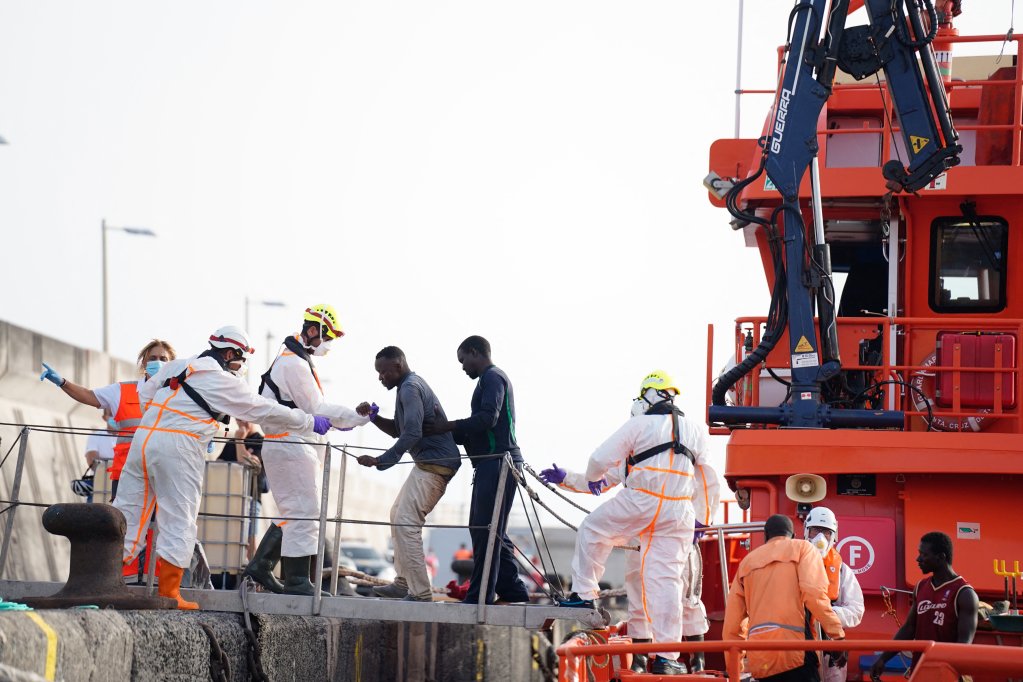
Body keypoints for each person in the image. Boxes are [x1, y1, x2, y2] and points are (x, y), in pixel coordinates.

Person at [114, 325, 332, 610]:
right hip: (179, 445)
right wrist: (308, 421)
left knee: (127, 512)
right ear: (229, 354)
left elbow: (145, 392)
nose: (241, 367)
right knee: (179, 518)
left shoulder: (178, 366)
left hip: (143, 439)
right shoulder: (221, 379)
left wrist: (166, 418)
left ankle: (107, 581)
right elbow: (263, 408)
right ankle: (169, 593)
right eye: (241, 360)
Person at [552, 370, 708, 675]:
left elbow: (599, 464)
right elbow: (708, 479)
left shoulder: (639, 426)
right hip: (679, 513)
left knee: (593, 529)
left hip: (642, 502)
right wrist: (703, 518)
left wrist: (589, 477)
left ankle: (584, 596)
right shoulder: (695, 431)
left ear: (647, 395)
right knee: (667, 585)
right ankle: (667, 658)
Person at [243, 305, 371, 597]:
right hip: (289, 444)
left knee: (294, 510)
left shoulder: (293, 359)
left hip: (285, 443)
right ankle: (297, 580)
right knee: (305, 512)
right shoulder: (294, 365)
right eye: (328, 338)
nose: (329, 345)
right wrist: (356, 417)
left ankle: (262, 565)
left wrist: (348, 419)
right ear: (314, 330)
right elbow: (317, 409)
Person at [425, 336, 529, 605]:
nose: (462, 367)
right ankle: (513, 589)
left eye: (463, 360)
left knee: (486, 530)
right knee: (489, 529)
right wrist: (442, 428)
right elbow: (478, 429)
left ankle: (480, 595)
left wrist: (449, 425)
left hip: (499, 463)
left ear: (475, 352)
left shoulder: (493, 377)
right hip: (490, 463)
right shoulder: (486, 380)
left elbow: (487, 418)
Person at [355, 346, 461, 602]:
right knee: (397, 515)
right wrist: (373, 417)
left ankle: (420, 592)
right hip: (426, 464)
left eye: (383, 372)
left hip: (435, 466)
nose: (380, 378)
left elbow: (412, 433)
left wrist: (381, 460)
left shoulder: (410, 388)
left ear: (398, 366)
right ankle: (403, 583)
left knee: (407, 522)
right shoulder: (406, 387)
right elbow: (398, 430)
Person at [41, 338, 177, 499]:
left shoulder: (179, 395)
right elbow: (89, 395)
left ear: (172, 365)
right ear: (144, 363)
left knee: (158, 517)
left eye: (163, 359)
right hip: (126, 474)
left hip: (163, 474)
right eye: (153, 358)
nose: (158, 362)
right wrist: (63, 383)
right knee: (123, 516)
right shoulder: (122, 391)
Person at [723, 514, 846, 682]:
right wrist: (837, 635)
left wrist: (734, 670)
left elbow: (732, 625)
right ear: (793, 536)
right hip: (796, 653)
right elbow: (814, 595)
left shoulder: (747, 563)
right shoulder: (803, 548)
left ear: (765, 536)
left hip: (761, 659)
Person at [868, 531, 978, 681]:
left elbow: (964, 644)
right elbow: (909, 628)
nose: (918, 559)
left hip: (947, 674)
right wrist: (883, 658)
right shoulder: (921, 587)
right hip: (920, 670)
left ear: (941, 557)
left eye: (924, 554)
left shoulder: (964, 593)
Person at [802, 506, 864, 681]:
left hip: (830, 652)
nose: (821, 538)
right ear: (806, 532)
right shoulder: (793, 565)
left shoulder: (842, 571)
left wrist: (826, 614)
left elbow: (856, 610)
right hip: (798, 650)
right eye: (816, 530)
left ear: (834, 536)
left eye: (827, 532)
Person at [218, 419, 266, 561]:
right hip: (231, 498)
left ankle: (251, 571)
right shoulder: (231, 442)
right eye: (238, 419)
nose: (242, 422)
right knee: (231, 540)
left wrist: (239, 440)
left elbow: (247, 463)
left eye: (245, 418)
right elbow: (217, 465)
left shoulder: (261, 441)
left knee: (250, 542)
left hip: (251, 497)